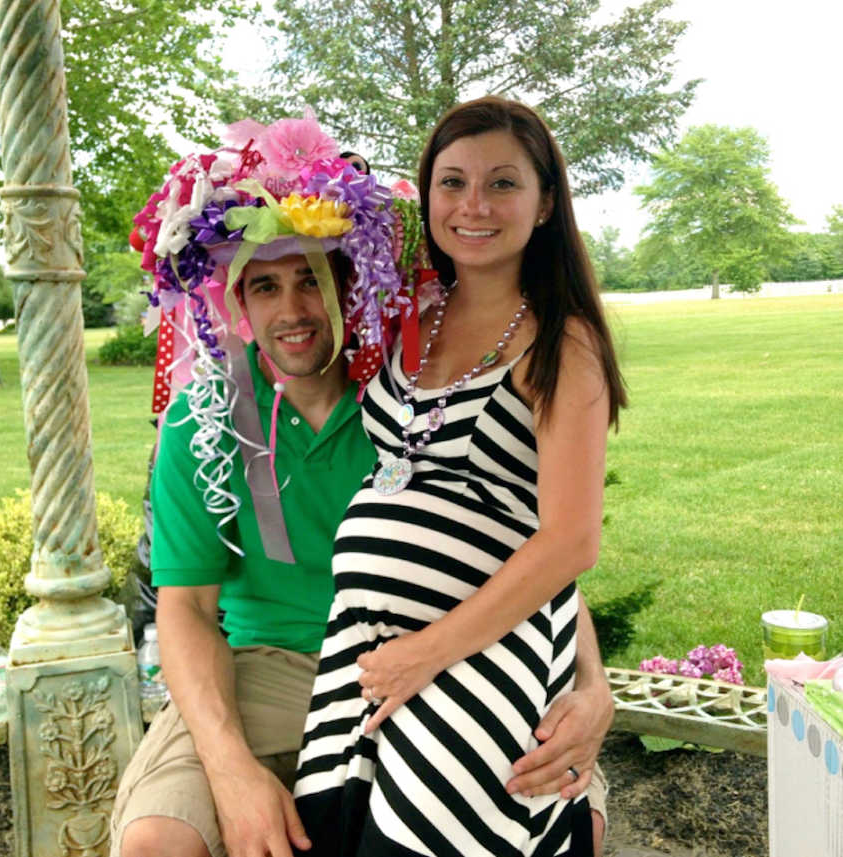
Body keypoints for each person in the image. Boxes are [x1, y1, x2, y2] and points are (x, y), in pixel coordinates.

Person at [110, 111, 613, 857]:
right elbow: (185, 607)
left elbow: (532, 529)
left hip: (452, 653)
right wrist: (230, 768)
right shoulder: (205, 420)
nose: (292, 312)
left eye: (313, 280)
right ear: (236, 304)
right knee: (157, 843)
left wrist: (593, 683)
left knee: (569, 822)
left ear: (353, 283)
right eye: (265, 286)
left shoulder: (410, 380)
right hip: (268, 669)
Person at [294, 96, 627, 856]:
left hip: (483, 651)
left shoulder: (562, 341)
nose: (473, 205)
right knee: (338, 833)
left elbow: (570, 542)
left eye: (503, 184)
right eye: (452, 183)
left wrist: (430, 650)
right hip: (371, 646)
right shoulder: (415, 314)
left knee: (428, 839)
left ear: (545, 205)